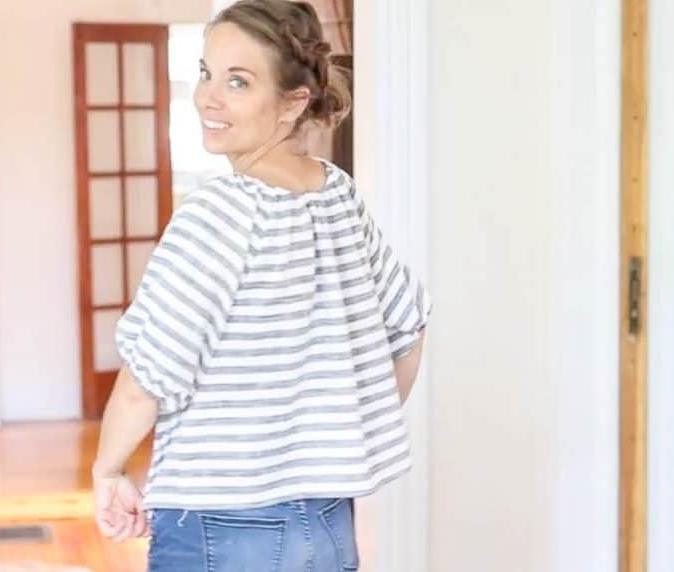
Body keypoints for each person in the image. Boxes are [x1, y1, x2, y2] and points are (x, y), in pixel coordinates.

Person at [92, 1, 430, 569]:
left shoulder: (218, 212)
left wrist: (108, 469)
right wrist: (335, 439)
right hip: (326, 524)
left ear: (293, 102)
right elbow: (408, 324)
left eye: (239, 82)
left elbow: (147, 377)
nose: (208, 98)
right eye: (206, 72)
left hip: (220, 527)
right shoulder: (336, 195)